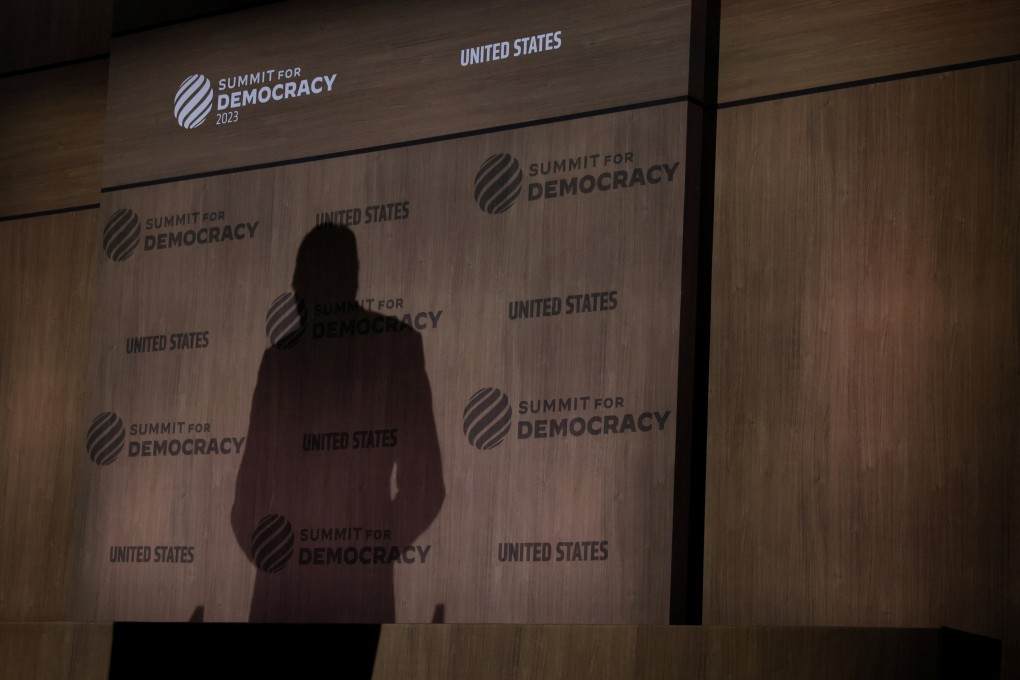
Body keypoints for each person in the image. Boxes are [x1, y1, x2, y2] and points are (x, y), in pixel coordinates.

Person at [232, 223, 445, 621]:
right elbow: (251, 488)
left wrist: (364, 554)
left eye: (303, 276)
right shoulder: (279, 361)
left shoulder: (394, 348)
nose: (298, 289)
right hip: (289, 594)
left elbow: (425, 483)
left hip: (345, 593)